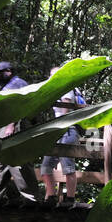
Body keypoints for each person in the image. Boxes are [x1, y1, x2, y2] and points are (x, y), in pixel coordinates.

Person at [0, 61, 33, 205]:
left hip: (15, 126)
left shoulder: (17, 83)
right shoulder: (5, 86)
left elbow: (19, 106)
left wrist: (11, 125)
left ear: (9, 71)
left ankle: (30, 199)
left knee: (18, 161)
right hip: (4, 126)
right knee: (0, 161)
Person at [40, 65, 86, 208]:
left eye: (55, 74)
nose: (52, 77)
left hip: (68, 130)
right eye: (51, 75)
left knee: (68, 166)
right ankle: (51, 196)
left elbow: (65, 109)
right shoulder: (55, 91)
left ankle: (70, 199)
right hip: (56, 131)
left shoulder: (67, 89)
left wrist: (60, 126)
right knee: (46, 167)